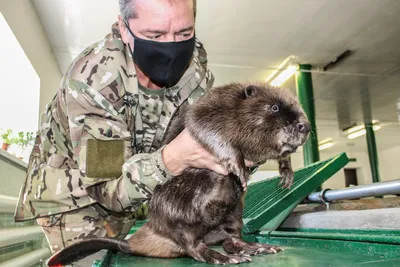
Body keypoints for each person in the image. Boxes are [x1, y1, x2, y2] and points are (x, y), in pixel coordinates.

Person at [14, 0, 257, 258]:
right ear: (124, 27)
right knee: (96, 261)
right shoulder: (94, 80)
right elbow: (107, 189)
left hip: (137, 189)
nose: (172, 46)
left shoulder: (194, 72)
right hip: (78, 199)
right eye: (155, 35)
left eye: (184, 33)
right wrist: (174, 158)